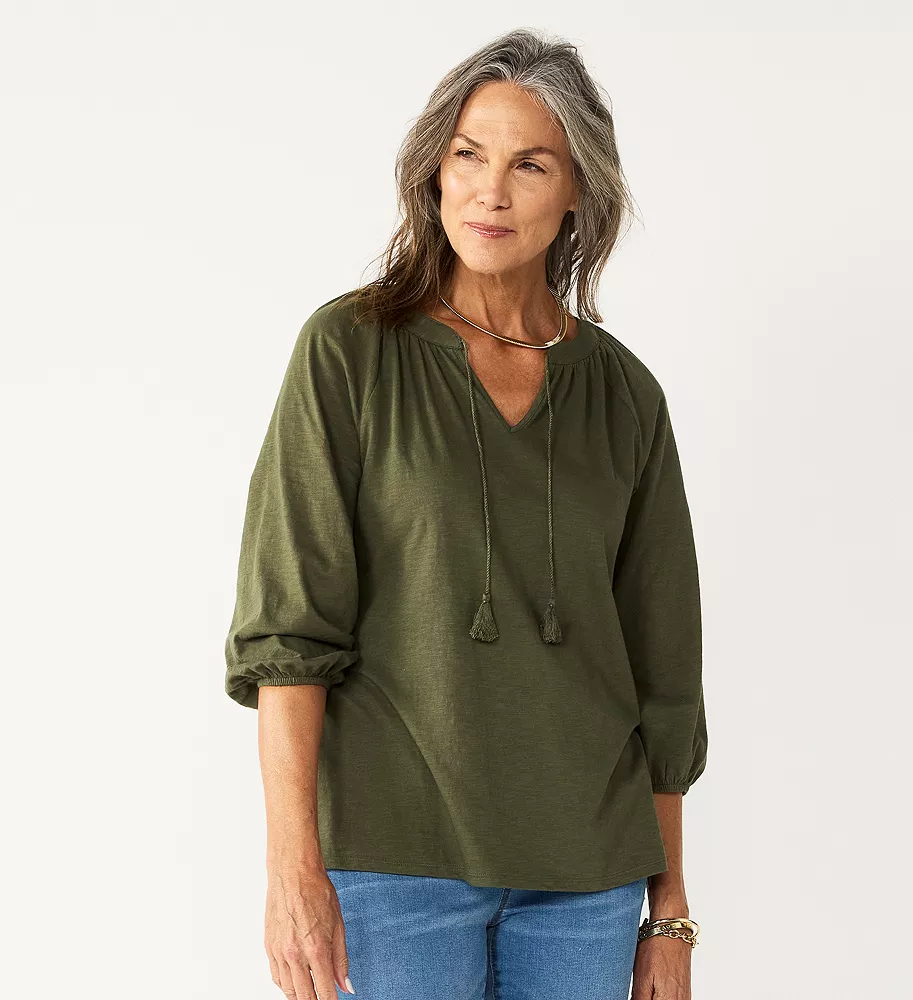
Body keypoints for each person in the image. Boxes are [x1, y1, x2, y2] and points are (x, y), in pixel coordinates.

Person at [224, 27, 708, 1000]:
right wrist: (291, 873)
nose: (490, 191)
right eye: (468, 155)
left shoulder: (625, 397)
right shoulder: (349, 352)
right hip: (392, 862)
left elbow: (663, 674)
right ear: (433, 170)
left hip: (588, 876)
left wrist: (669, 912)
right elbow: (289, 635)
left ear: (577, 191)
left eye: (529, 164)